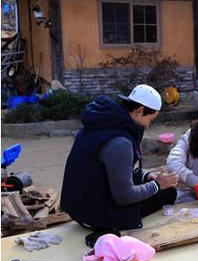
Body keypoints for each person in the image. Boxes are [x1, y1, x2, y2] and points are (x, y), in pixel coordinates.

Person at [61, 84, 179, 232]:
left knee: (151, 186)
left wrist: (145, 175)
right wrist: (158, 185)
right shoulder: (120, 142)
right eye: (151, 119)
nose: (149, 125)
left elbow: (110, 170)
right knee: (167, 193)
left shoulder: (103, 123)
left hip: (80, 205)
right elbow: (124, 196)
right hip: (93, 215)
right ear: (139, 111)